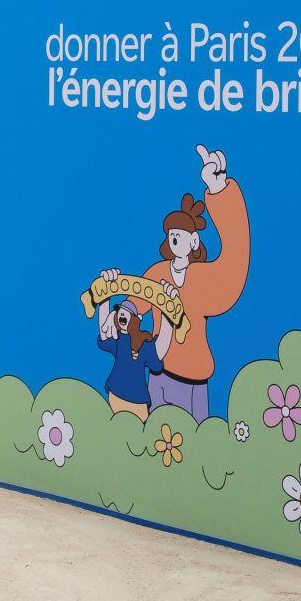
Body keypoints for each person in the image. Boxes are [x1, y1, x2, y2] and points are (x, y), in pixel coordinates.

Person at [143, 144, 248, 422]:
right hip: (158, 374)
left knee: (197, 445)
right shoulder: (157, 273)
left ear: (194, 241)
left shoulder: (203, 278)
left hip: (194, 381)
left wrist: (219, 190)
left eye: (182, 234)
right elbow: (132, 303)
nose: (175, 239)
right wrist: (111, 301)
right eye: (171, 235)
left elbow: (235, 262)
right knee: (158, 443)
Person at [96, 293, 169, 421]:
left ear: (135, 319)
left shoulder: (144, 345)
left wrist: (167, 315)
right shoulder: (118, 340)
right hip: (116, 395)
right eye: (120, 312)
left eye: (127, 312)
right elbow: (104, 335)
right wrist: (104, 300)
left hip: (138, 401)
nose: (122, 314)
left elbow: (159, 351)